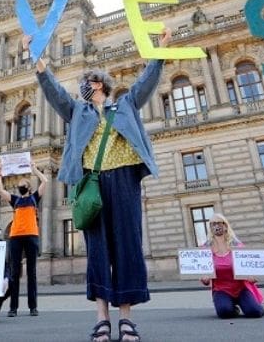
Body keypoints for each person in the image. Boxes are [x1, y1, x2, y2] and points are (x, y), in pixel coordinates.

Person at [26, 28, 172, 342]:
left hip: (124, 180)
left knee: (128, 247)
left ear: (101, 86)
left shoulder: (126, 104)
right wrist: (36, 59)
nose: (83, 87)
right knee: (97, 250)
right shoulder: (77, 110)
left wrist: (160, 50)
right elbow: (54, 92)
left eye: (89, 83)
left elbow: (146, 82)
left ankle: (127, 319)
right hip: (91, 183)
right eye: (82, 84)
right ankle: (101, 318)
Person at [199, 213, 264, 319]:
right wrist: (205, 279)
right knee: (224, 312)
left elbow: (250, 267)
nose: (216, 226)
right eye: (213, 224)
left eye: (219, 223)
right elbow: (203, 275)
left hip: (241, 288)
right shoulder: (205, 249)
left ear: (225, 226)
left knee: (254, 312)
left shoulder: (237, 246)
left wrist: (253, 277)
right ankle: (233, 308)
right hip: (221, 290)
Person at [0, 161, 47, 317]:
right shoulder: (14, 200)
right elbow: (0, 190)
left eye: (23, 183)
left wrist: (35, 170)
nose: (20, 185)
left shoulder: (34, 198)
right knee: (14, 273)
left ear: (29, 186)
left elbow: (45, 181)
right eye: (19, 184)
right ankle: (13, 308)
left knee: (31, 273)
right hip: (15, 237)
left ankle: (33, 307)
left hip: (31, 236)